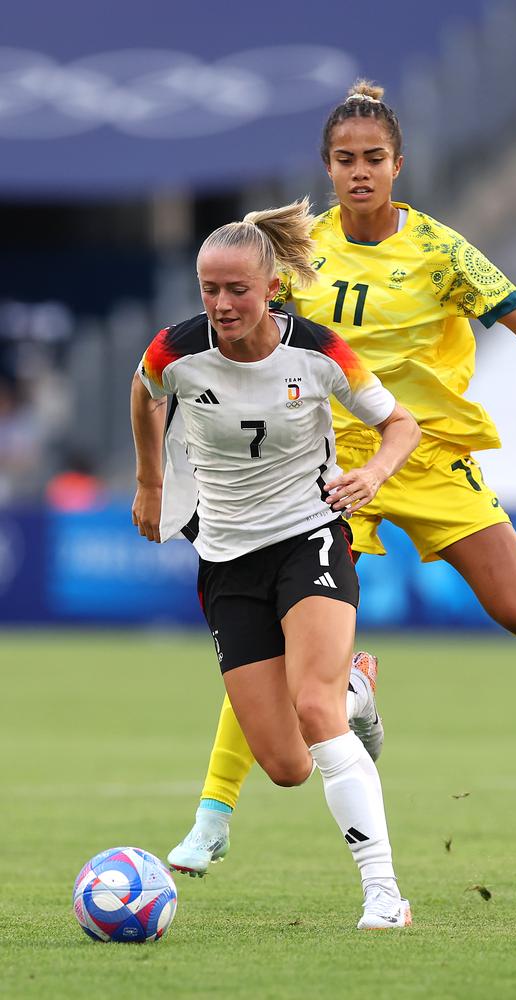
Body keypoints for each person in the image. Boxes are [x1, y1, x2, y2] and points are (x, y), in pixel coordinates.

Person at [168, 80, 516, 878]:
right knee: (271, 640)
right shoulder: (296, 256)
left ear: (398, 164)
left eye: (375, 159)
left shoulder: (440, 250)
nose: (361, 172)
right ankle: (213, 816)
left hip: (423, 453)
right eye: (346, 160)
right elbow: (243, 330)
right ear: (327, 168)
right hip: (322, 470)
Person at [131, 198, 420, 929]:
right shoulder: (174, 351)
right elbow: (143, 392)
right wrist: (149, 480)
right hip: (226, 559)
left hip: (311, 537)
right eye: (210, 289)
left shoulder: (319, 352)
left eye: (237, 290)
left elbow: (400, 423)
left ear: (270, 288)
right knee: (288, 765)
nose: (222, 305)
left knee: (314, 713)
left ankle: (383, 893)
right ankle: (359, 690)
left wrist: (376, 475)